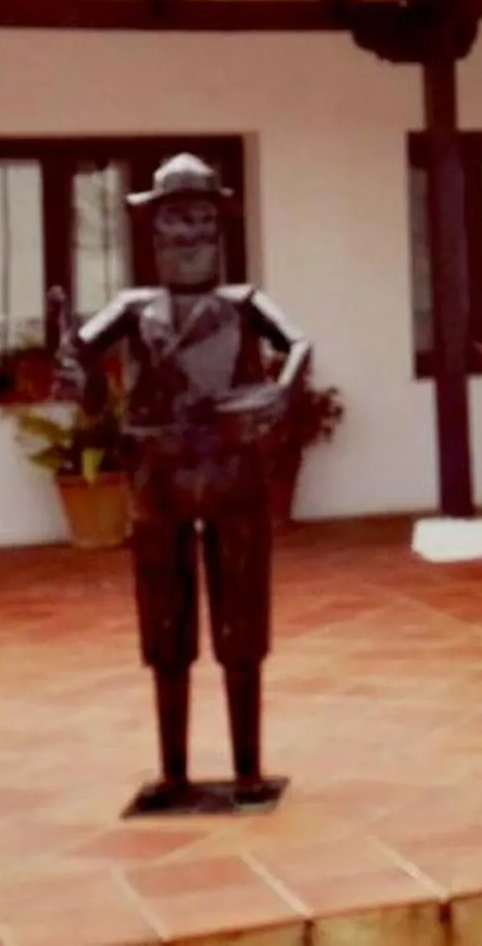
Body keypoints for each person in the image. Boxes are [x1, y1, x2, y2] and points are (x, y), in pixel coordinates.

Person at [54, 153, 310, 816]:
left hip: (232, 474)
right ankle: (173, 770)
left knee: (241, 622)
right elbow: (83, 365)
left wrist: (279, 396)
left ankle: (247, 768)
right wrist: (79, 375)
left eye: (201, 224)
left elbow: (299, 345)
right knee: (165, 624)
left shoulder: (243, 303)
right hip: (159, 478)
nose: (188, 238)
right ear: (154, 235)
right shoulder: (133, 308)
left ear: (219, 231)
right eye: (174, 226)